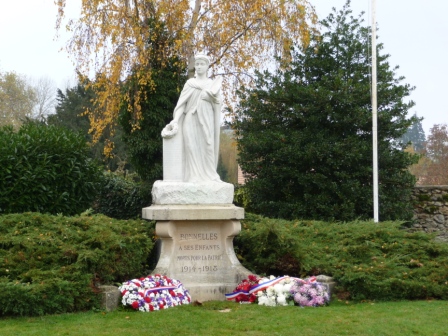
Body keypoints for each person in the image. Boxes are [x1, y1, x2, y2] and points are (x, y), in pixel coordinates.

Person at [163, 53, 222, 183]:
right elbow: (181, 105)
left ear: (207, 66)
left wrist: (211, 99)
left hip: (206, 119)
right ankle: (193, 177)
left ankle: (210, 175)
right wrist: (176, 120)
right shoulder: (190, 84)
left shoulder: (212, 85)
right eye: (197, 64)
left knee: (208, 145)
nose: (199, 67)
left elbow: (218, 104)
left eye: (202, 64)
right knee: (191, 147)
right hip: (190, 119)